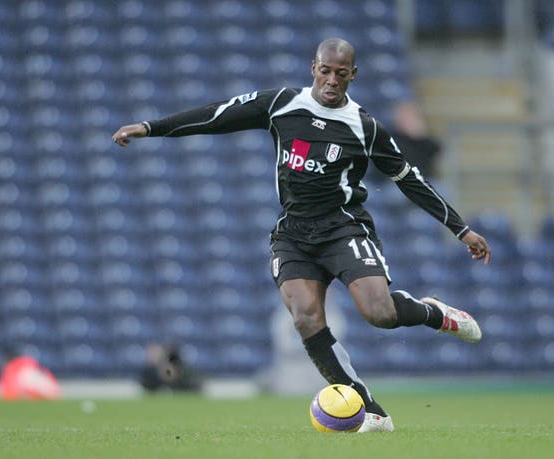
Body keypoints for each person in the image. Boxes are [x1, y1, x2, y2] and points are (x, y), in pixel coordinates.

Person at [112, 38, 491, 432]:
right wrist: (149, 128)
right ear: (314, 68)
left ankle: (434, 312)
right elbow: (216, 116)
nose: (331, 80)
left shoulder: (364, 127)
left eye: (340, 74)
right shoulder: (281, 104)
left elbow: (409, 179)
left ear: (352, 76)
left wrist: (460, 229)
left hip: (343, 228)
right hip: (293, 233)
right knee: (306, 316)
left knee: (379, 313)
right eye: (325, 71)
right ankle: (369, 409)